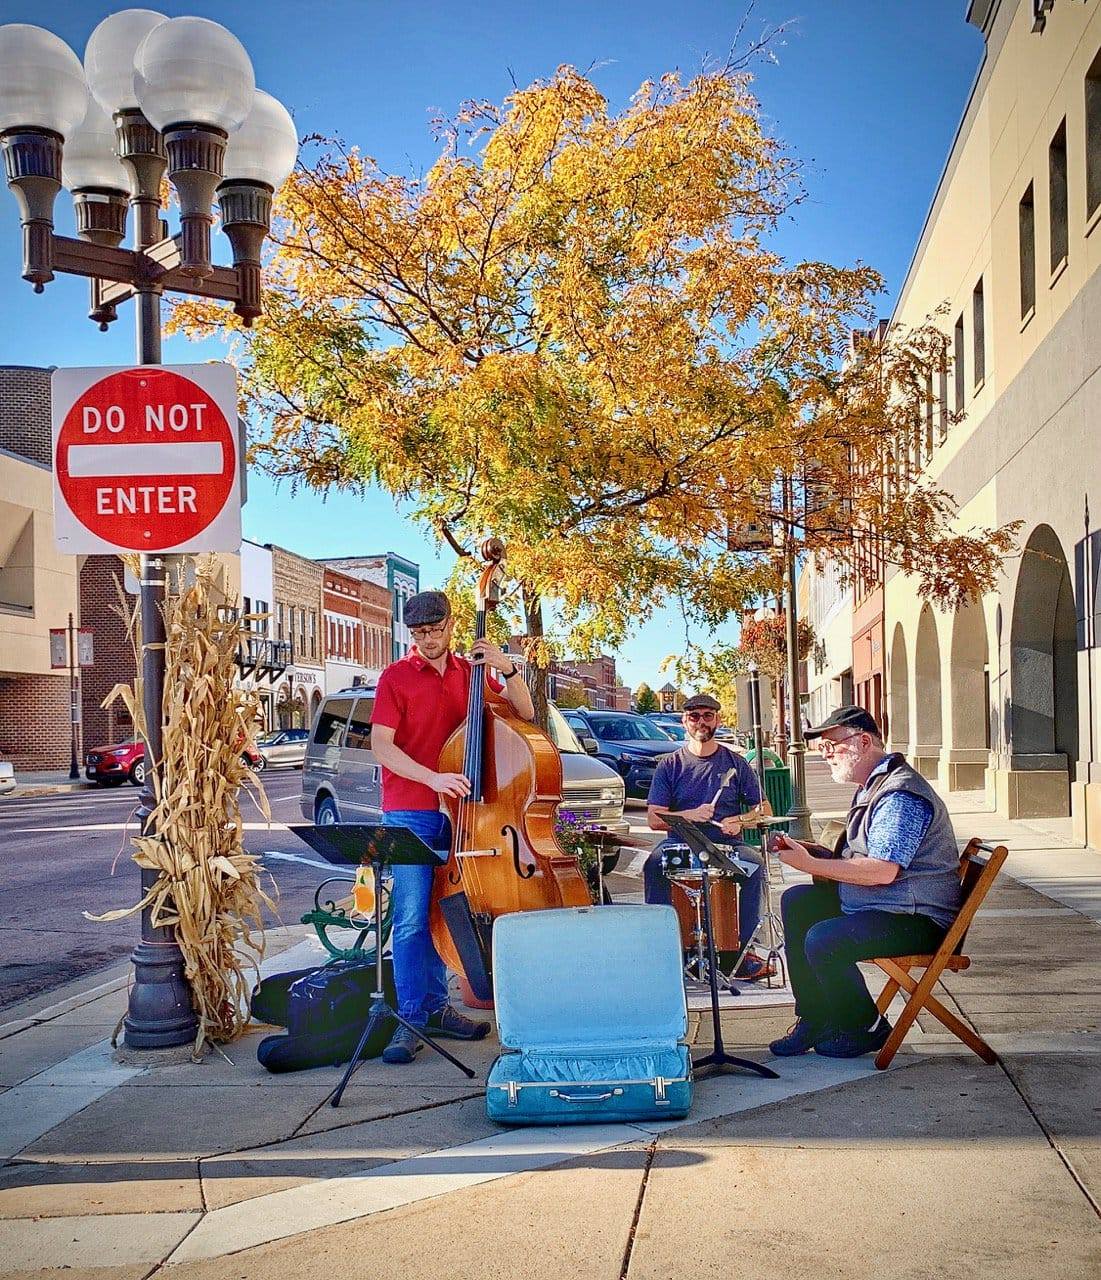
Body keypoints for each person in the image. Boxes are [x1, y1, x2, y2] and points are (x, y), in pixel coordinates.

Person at [369, 589, 536, 1064]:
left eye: (435, 630)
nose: (427, 640)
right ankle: (412, 1019)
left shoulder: (473, 674)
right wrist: (434, 777)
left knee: (449, 914)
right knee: (410, 919)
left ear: (451, 625)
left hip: (468, 816)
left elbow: (523, 713)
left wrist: (506, 667)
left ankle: (440, 1008)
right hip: (411, 809)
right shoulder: (395, 677)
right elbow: (383, 747)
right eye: (419, 633)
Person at [768, 706, 963, 1059]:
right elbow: (865, 858)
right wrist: (811, 852)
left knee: (825, 938)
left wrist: (812, 864)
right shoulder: (873, 785)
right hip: (886, 905)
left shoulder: (900, 795)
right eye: (822, 747)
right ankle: (815, 1018)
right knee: (798, 901)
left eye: (832, 745)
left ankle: (866, 1026)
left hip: (917, 919)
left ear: (864, 741)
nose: (825, 754)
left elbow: (883, 870)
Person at [643, 693, 773, 982]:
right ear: (684, 721)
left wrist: (740, 821)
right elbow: (654, 818)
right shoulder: (670, 765)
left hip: (727, 847)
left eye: (707, 716)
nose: (701, 721)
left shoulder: (736, 763)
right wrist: (692, 814)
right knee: (652, 864)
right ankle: (663, 949)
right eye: (694, 716)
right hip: (680, 844)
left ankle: (743, 954)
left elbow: (763, 809)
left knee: (754, 866)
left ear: (718, 719)